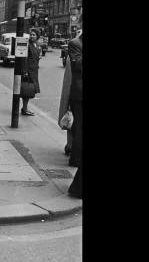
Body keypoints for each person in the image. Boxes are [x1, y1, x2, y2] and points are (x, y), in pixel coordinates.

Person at [67, 20, 83, 198]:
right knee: (79, 129)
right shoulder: (75, 43)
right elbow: (78, 65)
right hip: (79, 94)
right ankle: (75, 158)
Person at [20, 29, 42, 116]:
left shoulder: (36, 45)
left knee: (30, 90)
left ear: (37, 36)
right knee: (27, 90)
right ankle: (25, 109)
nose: (32, 36)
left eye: (34, 35)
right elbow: (24, 58)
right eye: (31, 35)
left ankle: (25, 108)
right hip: (28, 71)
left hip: (34, 71)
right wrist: (25, 71)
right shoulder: (28, 45)